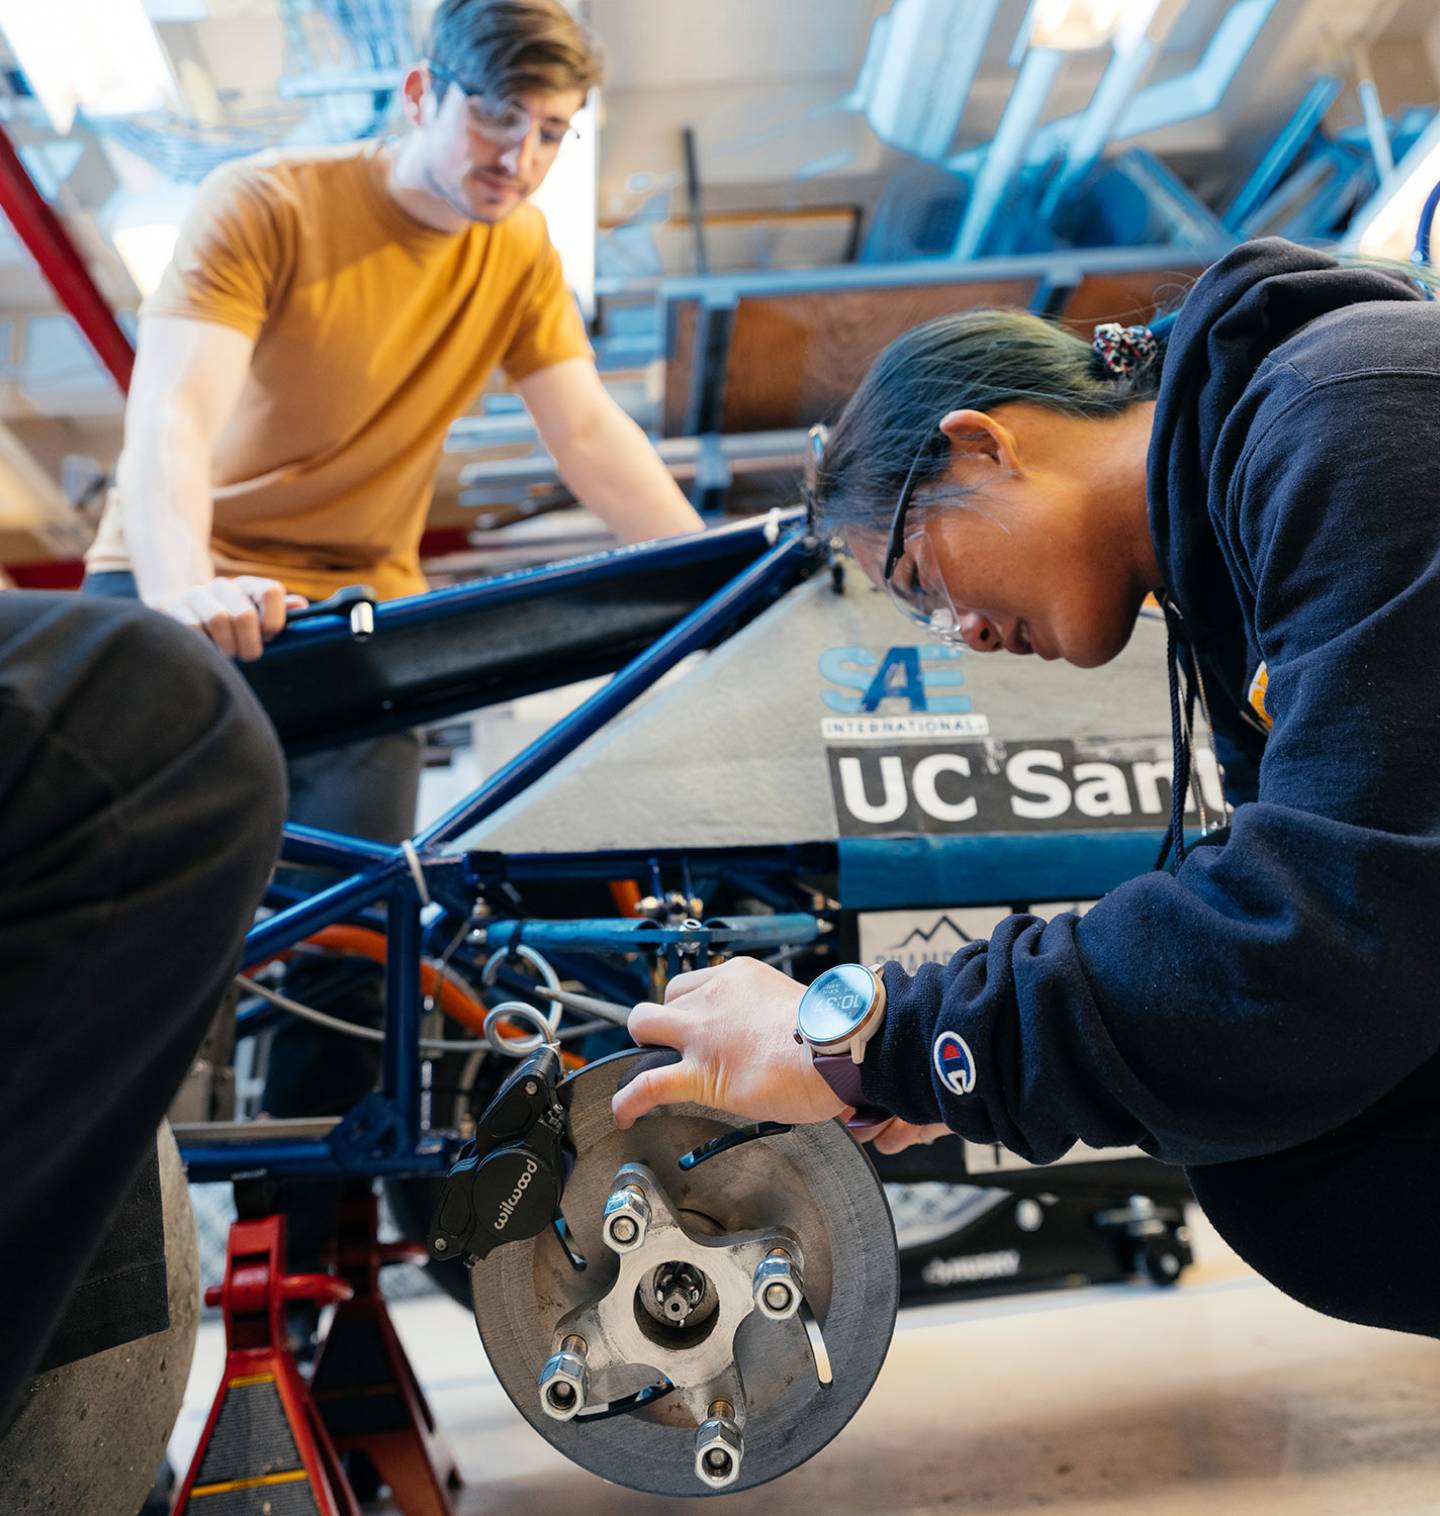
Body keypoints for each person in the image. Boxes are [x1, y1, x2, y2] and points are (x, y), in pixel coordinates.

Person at [611, 237, 1440, 1342]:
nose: (961, 635)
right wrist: (925, 1064)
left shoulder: (1344, 417)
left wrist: (872, 1036)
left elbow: (1320, 940)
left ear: (983, 443)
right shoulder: (1237, 554)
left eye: (923, 583)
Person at [81, 0, 704, 1268]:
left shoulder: (517, 246)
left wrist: (721, 576)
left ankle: (305, 1293)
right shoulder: (266, 203)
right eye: (495, 118)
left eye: (549, 135)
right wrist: (181, 584)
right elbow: (174, 416)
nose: (517, 160)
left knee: (356, 953)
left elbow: (585, 432)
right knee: (113, 962)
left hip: (353, 620)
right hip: (175, 595)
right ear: (421, 91)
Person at [0, 590, 284, 1428]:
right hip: (201, 598)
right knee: (150, 717)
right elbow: (165, 459)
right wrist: (183, 579)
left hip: (368, 611)